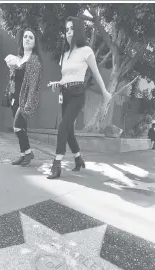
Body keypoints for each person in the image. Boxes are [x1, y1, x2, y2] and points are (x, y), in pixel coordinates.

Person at [47, 16, 111, 179]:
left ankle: (57, 164)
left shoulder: (86, 51)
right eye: (66, 29)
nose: (68, 33)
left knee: (62, 127)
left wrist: (104, 91)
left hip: (77, 93)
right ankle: (78, 159)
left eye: (71, 29)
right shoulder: (65, 54)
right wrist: (57, 83)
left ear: (79, 31)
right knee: (68, 131)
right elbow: (65, 77)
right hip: (65, 93)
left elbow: (95, 72)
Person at [6, 28, 42, 166]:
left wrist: (28, 103)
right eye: (25, 36)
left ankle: (28, 152)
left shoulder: (34, 61)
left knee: (17, 127)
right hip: (15, 98)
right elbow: (14, 80)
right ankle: (23, 155)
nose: (27, 39)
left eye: (31, 37)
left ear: (34, 42)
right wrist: (11, 68)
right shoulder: (19, 59)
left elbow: (33, 84)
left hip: (26, 100)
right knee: (22, 129)